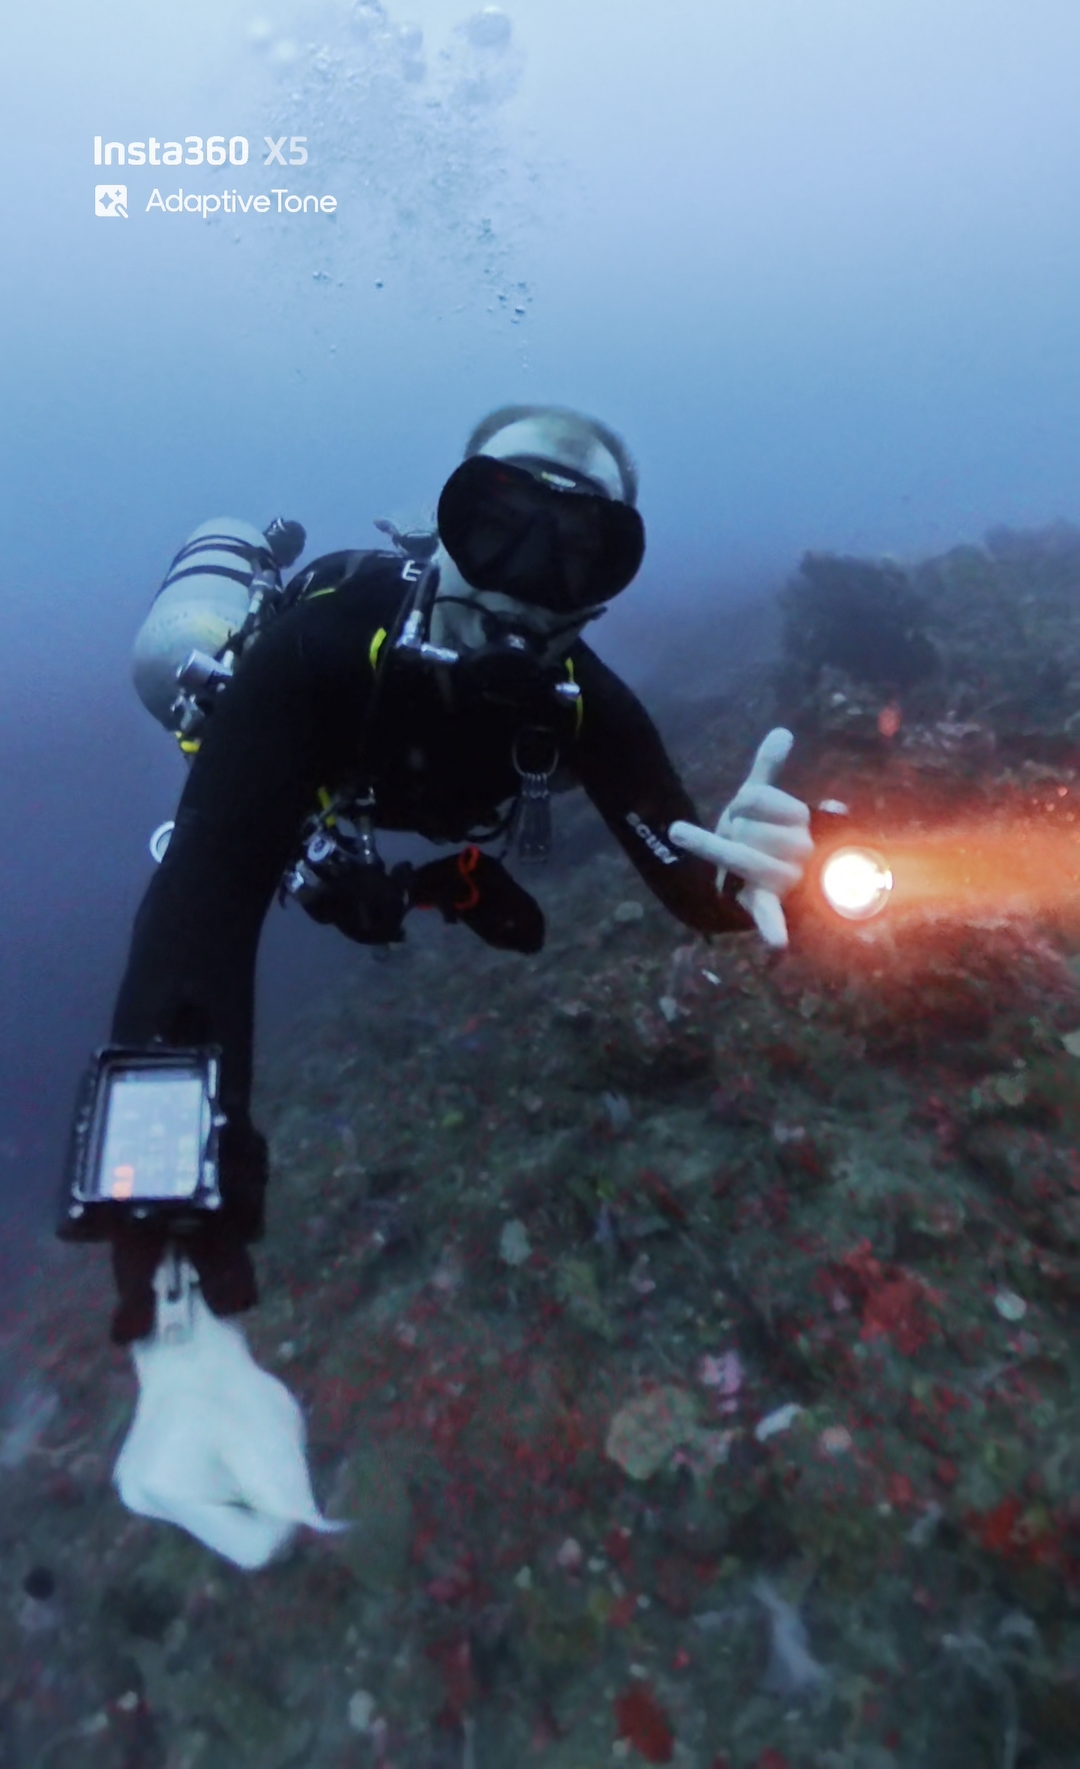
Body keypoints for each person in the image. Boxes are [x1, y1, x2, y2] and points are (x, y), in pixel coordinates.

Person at [88, 406, 814, 1567]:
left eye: (581, 548)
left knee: (459, 909)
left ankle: (432, 888)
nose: (530, 580)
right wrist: (173, 1312)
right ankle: (390, 881)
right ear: (444, 520)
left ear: (606, 585)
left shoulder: (584, 704)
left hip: (421, 840)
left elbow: (705, 891)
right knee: (310, 880)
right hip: (313, 793)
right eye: (503, 524)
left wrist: (766, 871)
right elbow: (196, 937)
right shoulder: (319, 649)